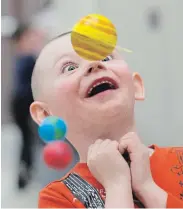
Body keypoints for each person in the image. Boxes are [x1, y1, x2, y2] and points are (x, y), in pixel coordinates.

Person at [30, 31, 183, 208]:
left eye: (106, 58)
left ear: (136, 87)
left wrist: (147, 188)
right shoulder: (56, 199)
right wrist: (117, 185)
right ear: (45, 114)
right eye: (69, 68)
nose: (94, 64)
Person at [11, 23, 45, 189]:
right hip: (23, 103)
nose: (34, 39)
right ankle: (25, 174)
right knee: (28, 140)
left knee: (28, 139)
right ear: (23, 38)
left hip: (20, 102)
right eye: (31, 36)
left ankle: (25, 174)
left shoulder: (21, 55)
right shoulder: (27, 57)